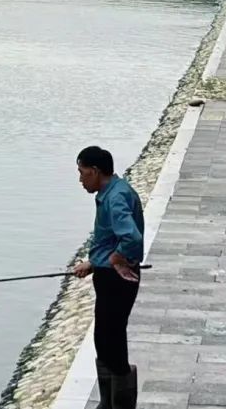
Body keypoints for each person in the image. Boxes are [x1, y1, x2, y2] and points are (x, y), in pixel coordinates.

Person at [73, 146, 144, 409]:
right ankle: (107, 402)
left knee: (111, 340)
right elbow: (110, 238)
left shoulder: (115, 198)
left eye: (82, 173)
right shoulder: (111, 192)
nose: (80, 180)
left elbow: (131, 238)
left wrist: (116, 259)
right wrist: (94, 262)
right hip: (106, 275)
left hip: (117, 280)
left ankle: (121, 403)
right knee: (104, 339)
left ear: (95, 171)